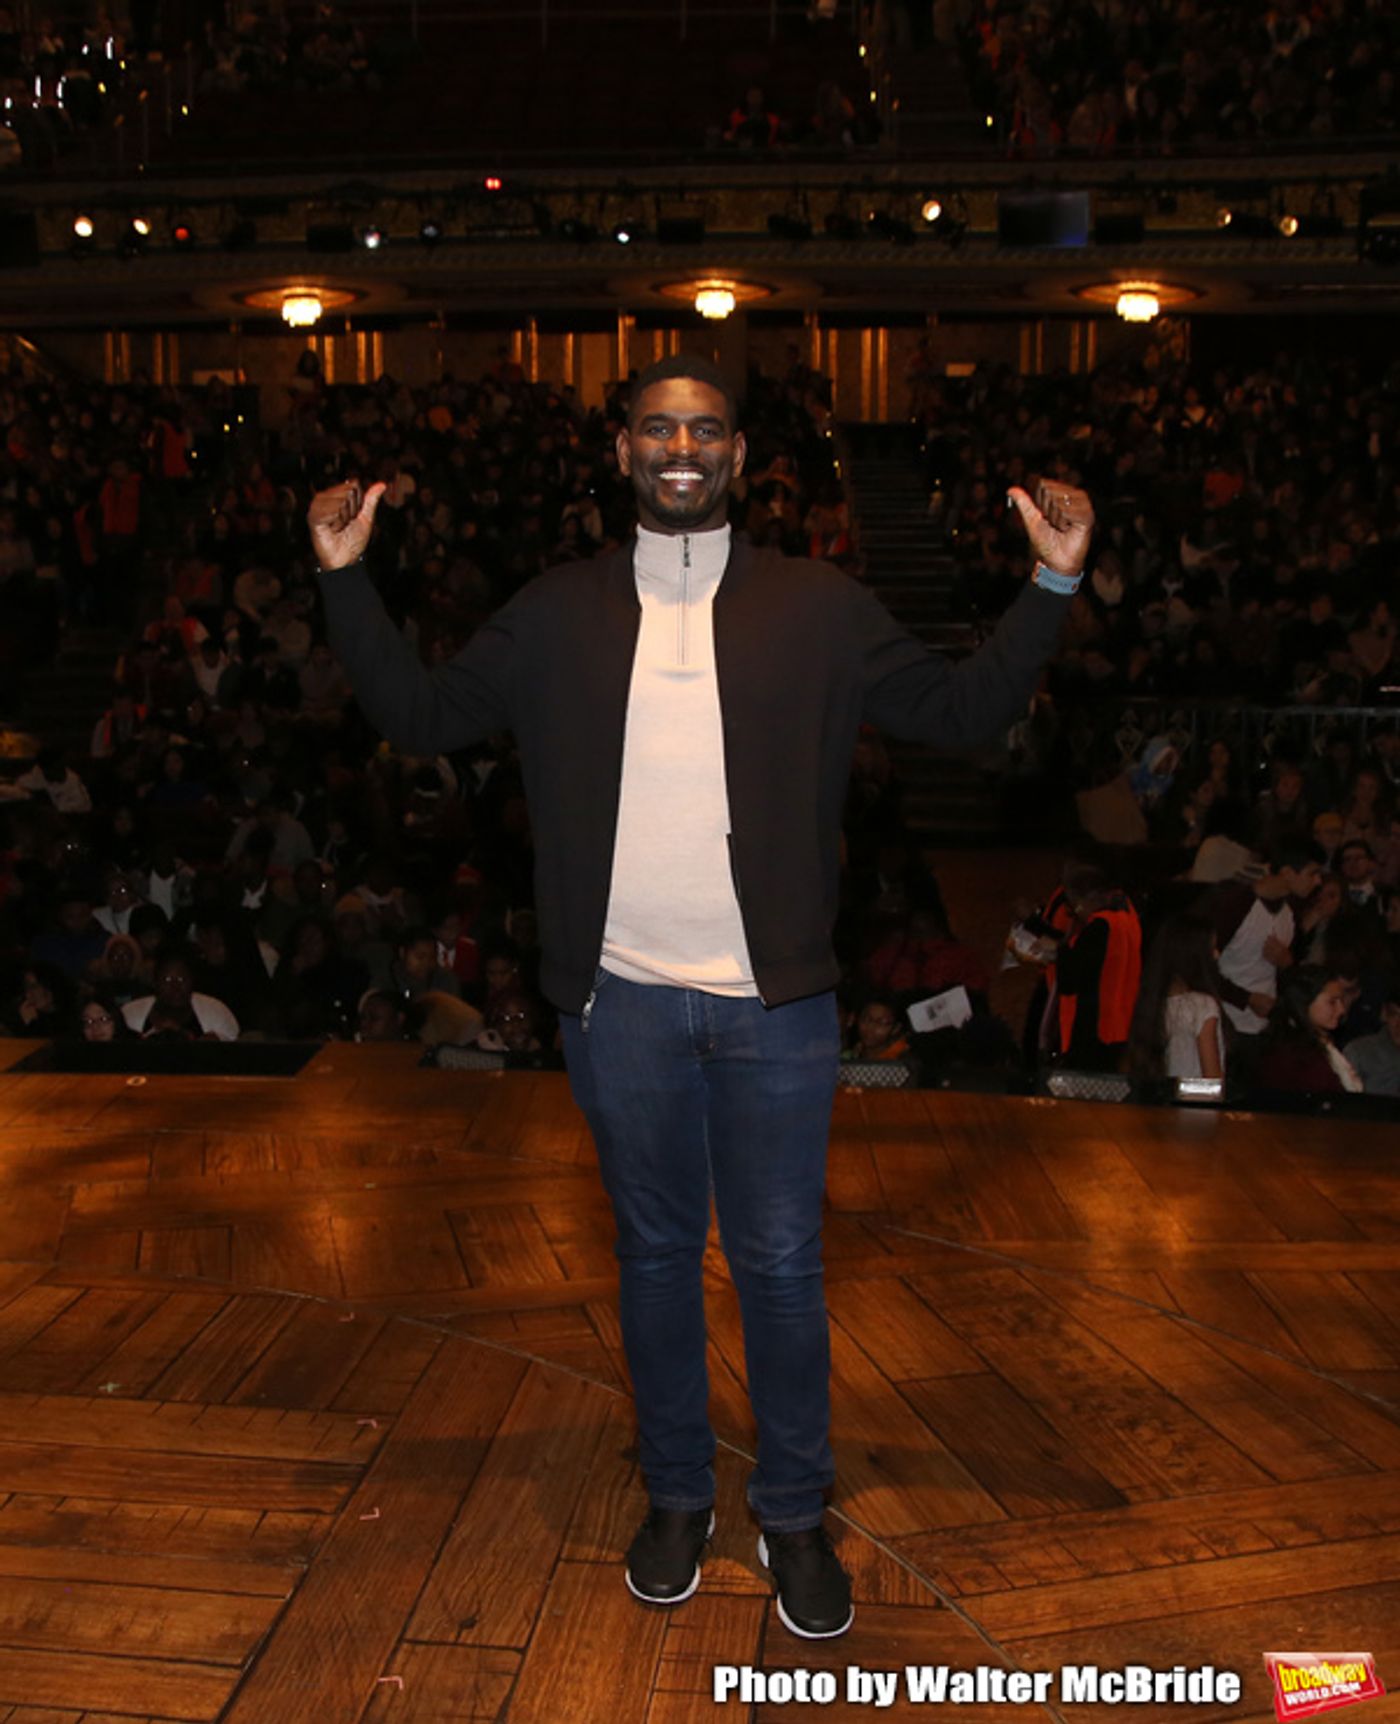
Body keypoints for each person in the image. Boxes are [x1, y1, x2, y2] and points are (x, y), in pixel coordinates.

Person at [307, 351, 1090, 1641]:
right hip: (617, 1003)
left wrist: (1051, 582)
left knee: (779, 1264)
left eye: (706, 427)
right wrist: (344, 576)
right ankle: (676, 1493)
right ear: (621, 451)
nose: (682, 446)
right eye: (658, 427)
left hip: (773, 1006)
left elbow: (961, 709)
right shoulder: (555, 608)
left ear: (738, 454)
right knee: (658, 1260)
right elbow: (421, 711)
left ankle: (792, 1510)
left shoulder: (817, 603)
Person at [1127, 913, 1225, 1082]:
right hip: (1194, 1098)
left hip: (1160, 1096)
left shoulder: (1152, 1003)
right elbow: (1212, 1083)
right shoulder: (1202, 1006)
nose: (1217, 955)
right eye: (1211, 949)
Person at [1253, 965, 1363, 1095]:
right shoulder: (1296, 1055)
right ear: (1304, 1003)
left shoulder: (1316, 1044)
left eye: (1341, 1000)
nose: (1341, 1010)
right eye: (1332, 1002)